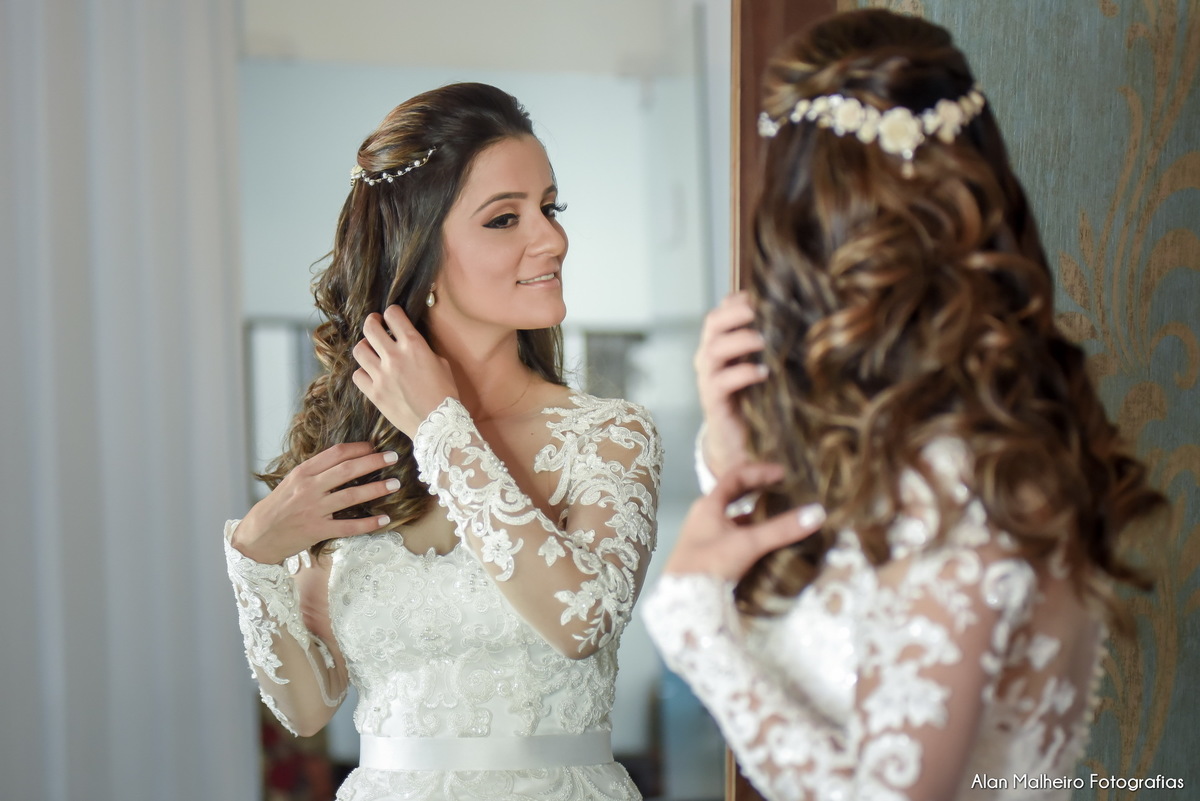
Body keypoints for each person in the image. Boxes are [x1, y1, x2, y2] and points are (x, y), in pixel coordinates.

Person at [644, 10, 1165, 801]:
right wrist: (735, 452)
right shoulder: (935, 445)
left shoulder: (956, 479)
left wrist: (694, 631)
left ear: (804, 222)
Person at [224, 82, 661, 801]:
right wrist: (255, 554)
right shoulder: (347, 448)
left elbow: (581, 620)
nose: (552, 239)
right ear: (419, 250)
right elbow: (308, 707)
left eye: (549, 208)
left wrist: (441, 427)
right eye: (505, 218)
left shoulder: (609, 437)